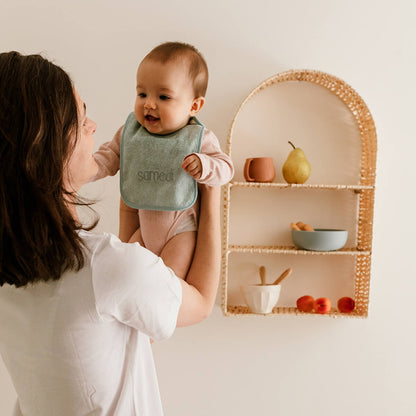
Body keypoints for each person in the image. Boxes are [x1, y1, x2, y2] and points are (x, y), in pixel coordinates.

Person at [0, 51, 220, 416]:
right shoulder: (109, 268)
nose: (93, 127)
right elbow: (199, 302)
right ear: (47, 144)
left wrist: (132, 210)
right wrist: (210, 197)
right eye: (81, 117)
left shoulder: (10, 272)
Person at [93, 42, 233, 279]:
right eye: (142, 94)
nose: (149, 103)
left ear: (194, 106)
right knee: (126, 274)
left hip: (180, 231)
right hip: (143, 230)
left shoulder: (198, 139)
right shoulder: (132, 134)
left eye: (163, 96)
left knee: (166, 288)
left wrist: (205, 165)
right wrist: (82, 171)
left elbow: (227, 169)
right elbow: (108, 157)